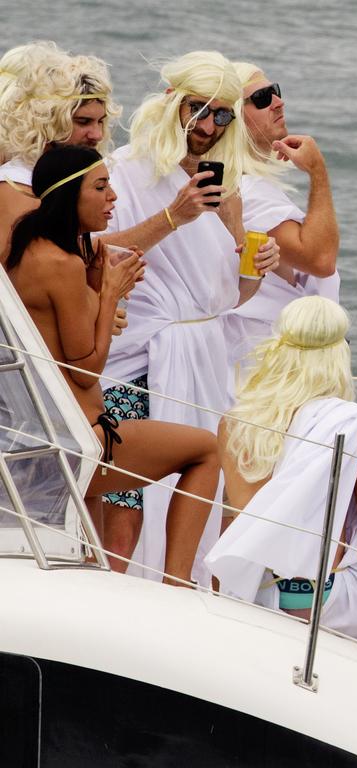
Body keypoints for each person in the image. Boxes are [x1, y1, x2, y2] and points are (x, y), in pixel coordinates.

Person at [99, 51, 281, 585]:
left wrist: (256, 263)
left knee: (204, 480)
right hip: (133, 355)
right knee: (123, 495)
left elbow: (231, 298)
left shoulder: (225, 187)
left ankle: (178, 587)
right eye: (197, 110)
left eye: (223, 116)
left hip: (202, 360)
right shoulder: (122, 173)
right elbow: (92, 252)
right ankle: (115, 589)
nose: (207, 126)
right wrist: (173, 217)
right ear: (171, 104)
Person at [5, 145, 219, 584]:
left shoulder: (37, 249)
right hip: (82, 438)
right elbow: (85, 369)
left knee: (93, 564)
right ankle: (178, 581)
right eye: (101, 187)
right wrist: (110, 294)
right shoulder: (61, 264)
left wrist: (101, 282)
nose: (113, 197)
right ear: (68, 196)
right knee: (207, 449)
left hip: (50, 432)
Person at [206, 296, 357, 659]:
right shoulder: (352, 426)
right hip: (318, 598)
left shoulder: (234, 423)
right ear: (339, 355)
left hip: (254, 591)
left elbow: (235, 523)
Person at [221, 61, 340, 378]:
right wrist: (318, 172)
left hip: (272, 357)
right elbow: (320, 259)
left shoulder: (246, 184)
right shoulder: (246, 190)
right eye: (261, 97)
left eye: (275, 92)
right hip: (262, 362)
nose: (278, 102)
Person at [0, 41, 121, 261]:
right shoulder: (17, 188)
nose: (97, 135)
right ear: (48, 122)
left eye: (101, 122)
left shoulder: (65, 181)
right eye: (83, 122)